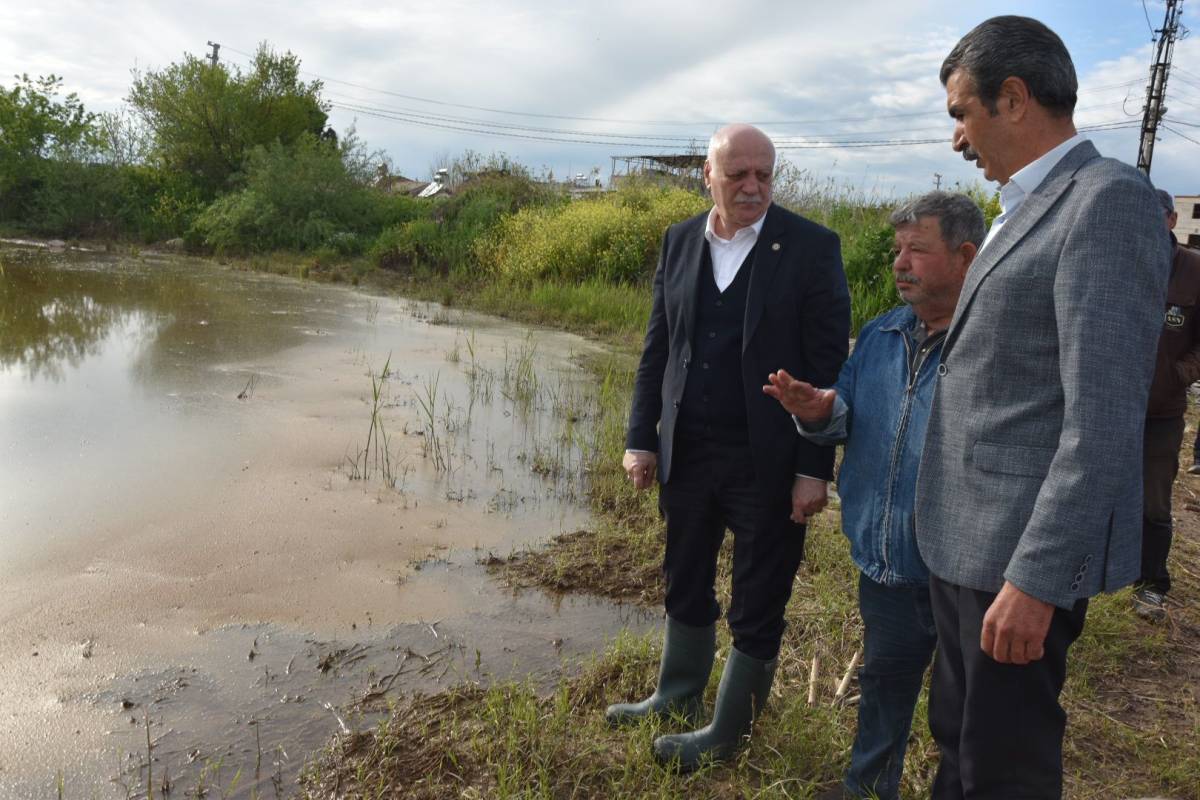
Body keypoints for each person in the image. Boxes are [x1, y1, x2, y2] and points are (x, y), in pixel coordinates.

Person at [915, 16, 1172, 799]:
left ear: (1015, 97)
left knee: (1004, 766)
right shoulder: (1022, 207)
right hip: (967, 543)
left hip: (1014, 560)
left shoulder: (1105, 204)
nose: (957, 138)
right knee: (959, 744)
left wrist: (1036, 579)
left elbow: (1102, 420)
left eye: (963, 112)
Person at [607, 123, 850, 770]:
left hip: (767, 461)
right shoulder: (681, 239)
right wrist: (642, 439)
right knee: (684, 577)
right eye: (738, 174)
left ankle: (726, 734)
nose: (752, 186)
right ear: (707, 177)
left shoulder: (811, 247)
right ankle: (677, 697)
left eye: (764, 174)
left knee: (758, 595)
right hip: (689, 450)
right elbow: (659, 347)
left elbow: (828, 374)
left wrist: (812, 469)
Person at [764, 191, 984, 800]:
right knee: (885, 687)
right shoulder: (881, 335)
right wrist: (816, 412)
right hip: (887, 563)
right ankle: (866, 789)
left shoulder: (993, 342)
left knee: (968, 711)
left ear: (966, 257)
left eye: (918, 250)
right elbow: (846, 418)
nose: (900, 263)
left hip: (966, 570)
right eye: (897, 250)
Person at [1136, 189, 1200, 620]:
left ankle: (1153, 584)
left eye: (1151, 216)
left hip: (1162, 412)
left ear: (1172, 219)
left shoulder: (1194, 271)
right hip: (1110, 409)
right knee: (1098, 491)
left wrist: (1180, 374)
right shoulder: (1119, 264)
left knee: (1154, 501)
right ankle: (1104, 572)